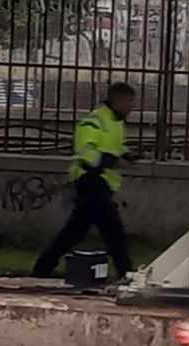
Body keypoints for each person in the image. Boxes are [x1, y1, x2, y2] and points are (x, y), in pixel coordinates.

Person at [33, 82, 137, 280]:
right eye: (129, 101)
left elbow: (116, 147)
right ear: (118, 100)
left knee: (74, 232)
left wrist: (128, 155)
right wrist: (115, 161)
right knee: (114, 232)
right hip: (91, 181)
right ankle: (126, 273)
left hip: (102, 184)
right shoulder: (94, 121)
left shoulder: (117, 122)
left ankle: (42, 269)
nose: (132, 107)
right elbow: (87, 154)